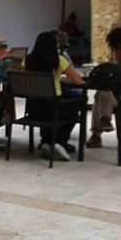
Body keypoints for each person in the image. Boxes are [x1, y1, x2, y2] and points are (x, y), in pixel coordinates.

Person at [23, 31, 85, 162]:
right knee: (73, 111)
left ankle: (46, 142)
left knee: (53, 108)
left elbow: (24, 78)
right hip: (52, 109)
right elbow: (78, 81)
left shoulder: (27, 60)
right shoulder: (58, 60)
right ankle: (60, 143)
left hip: (33, 109)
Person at [82, 25, 121, 148]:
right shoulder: (111, 60)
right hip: (110, 98)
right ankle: (103, 122)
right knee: (100, 94)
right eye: (116, 49)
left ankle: (98, 132)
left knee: (100, 95)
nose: (118, 53)